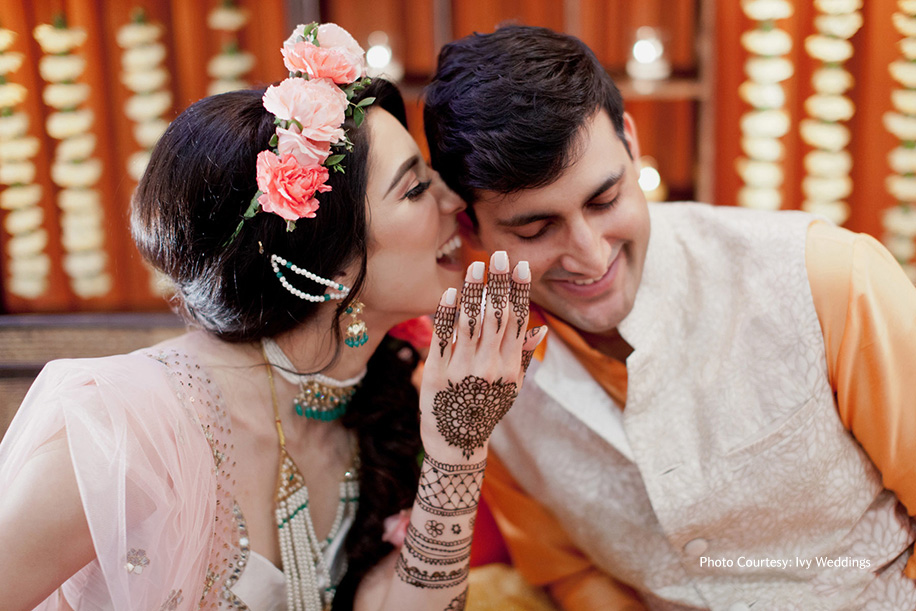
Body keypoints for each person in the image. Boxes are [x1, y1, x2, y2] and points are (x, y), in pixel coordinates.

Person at [0, 23, 544, 611]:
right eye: (414, 189)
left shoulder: (378, 412)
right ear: (322, 255)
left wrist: (457, 449)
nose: (456, 201)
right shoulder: (129, 430)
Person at [423, 24, 916, 610]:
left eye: (604, 201)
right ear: (470, 227)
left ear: (630, 144)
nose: (591, 256)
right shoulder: (480, 383)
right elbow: (568, 569)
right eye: (536, 229)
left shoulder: (827, 277)